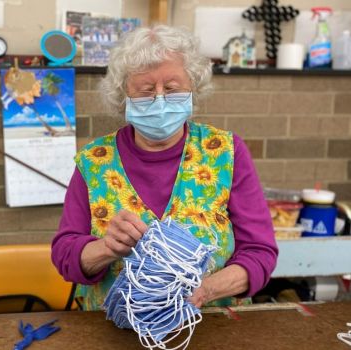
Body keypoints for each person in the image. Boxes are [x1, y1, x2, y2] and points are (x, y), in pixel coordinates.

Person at [51, 25, 278, 311]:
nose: (159, 100)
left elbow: (259, 253)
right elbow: (64, 256)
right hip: (112, 332)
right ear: (124, 97)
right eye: (146, 91)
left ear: (193, 88)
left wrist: (206, 290)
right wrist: (107, 247)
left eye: (171, 89)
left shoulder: (226, 154)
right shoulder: (94, 161)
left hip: (212, 328)